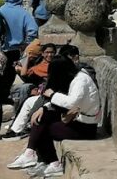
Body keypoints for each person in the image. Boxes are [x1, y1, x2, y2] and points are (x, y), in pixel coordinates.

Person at [7, 44, 101, 177]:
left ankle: (50, 160)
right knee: (42, 117)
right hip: (76, 120)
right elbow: (64, 101)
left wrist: (51, 95)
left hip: (86, 127)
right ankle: (35, 155)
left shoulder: (81, 81)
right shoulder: (74, 78)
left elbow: (71, 102)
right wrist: (44, 107)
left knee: (44, 128)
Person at [5, 51, 71, 140]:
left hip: (60, 105)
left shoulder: (69, 77)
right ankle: (16, 130)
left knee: (40, 107)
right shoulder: (43, 68)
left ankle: (29, 129)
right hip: (49, 98)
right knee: (29, 101)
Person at [0, 0, 39, 68]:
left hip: (1, 47)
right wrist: (27, 43)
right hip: (17, 49)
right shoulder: (23, 13)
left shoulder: (0, 10)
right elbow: (33, 29)